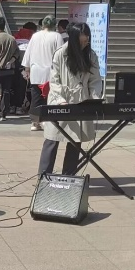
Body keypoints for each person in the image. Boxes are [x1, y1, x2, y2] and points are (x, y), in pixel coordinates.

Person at [38, 23, 102, 175]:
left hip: (80, 100)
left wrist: (94, 99)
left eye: (86, 41)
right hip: (60, 100)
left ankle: (69, 175)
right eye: (81, 42)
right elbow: (54, 81)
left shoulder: (91, 55)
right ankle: (43, 175)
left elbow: (95, 80)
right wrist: (60, 100)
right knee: (52, 139)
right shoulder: (60, 53)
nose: (84, 44)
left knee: (75, 140)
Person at [22, 15, 64, 132]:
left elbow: (28, 54)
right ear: (54, 25)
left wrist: (27, 68)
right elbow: (60, 55)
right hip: (51, 72)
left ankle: (35, 122)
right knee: (50, 98)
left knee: (36, 98)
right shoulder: (57, 36)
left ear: (42, 25)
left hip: (36, 72)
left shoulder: (35, 36)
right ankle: (48, 121)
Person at [0, 17, 19, 121]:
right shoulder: (12, 38)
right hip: (9, 70)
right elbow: (17, 53)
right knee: (6, 92)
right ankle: (3, 114)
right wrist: (11, 60)